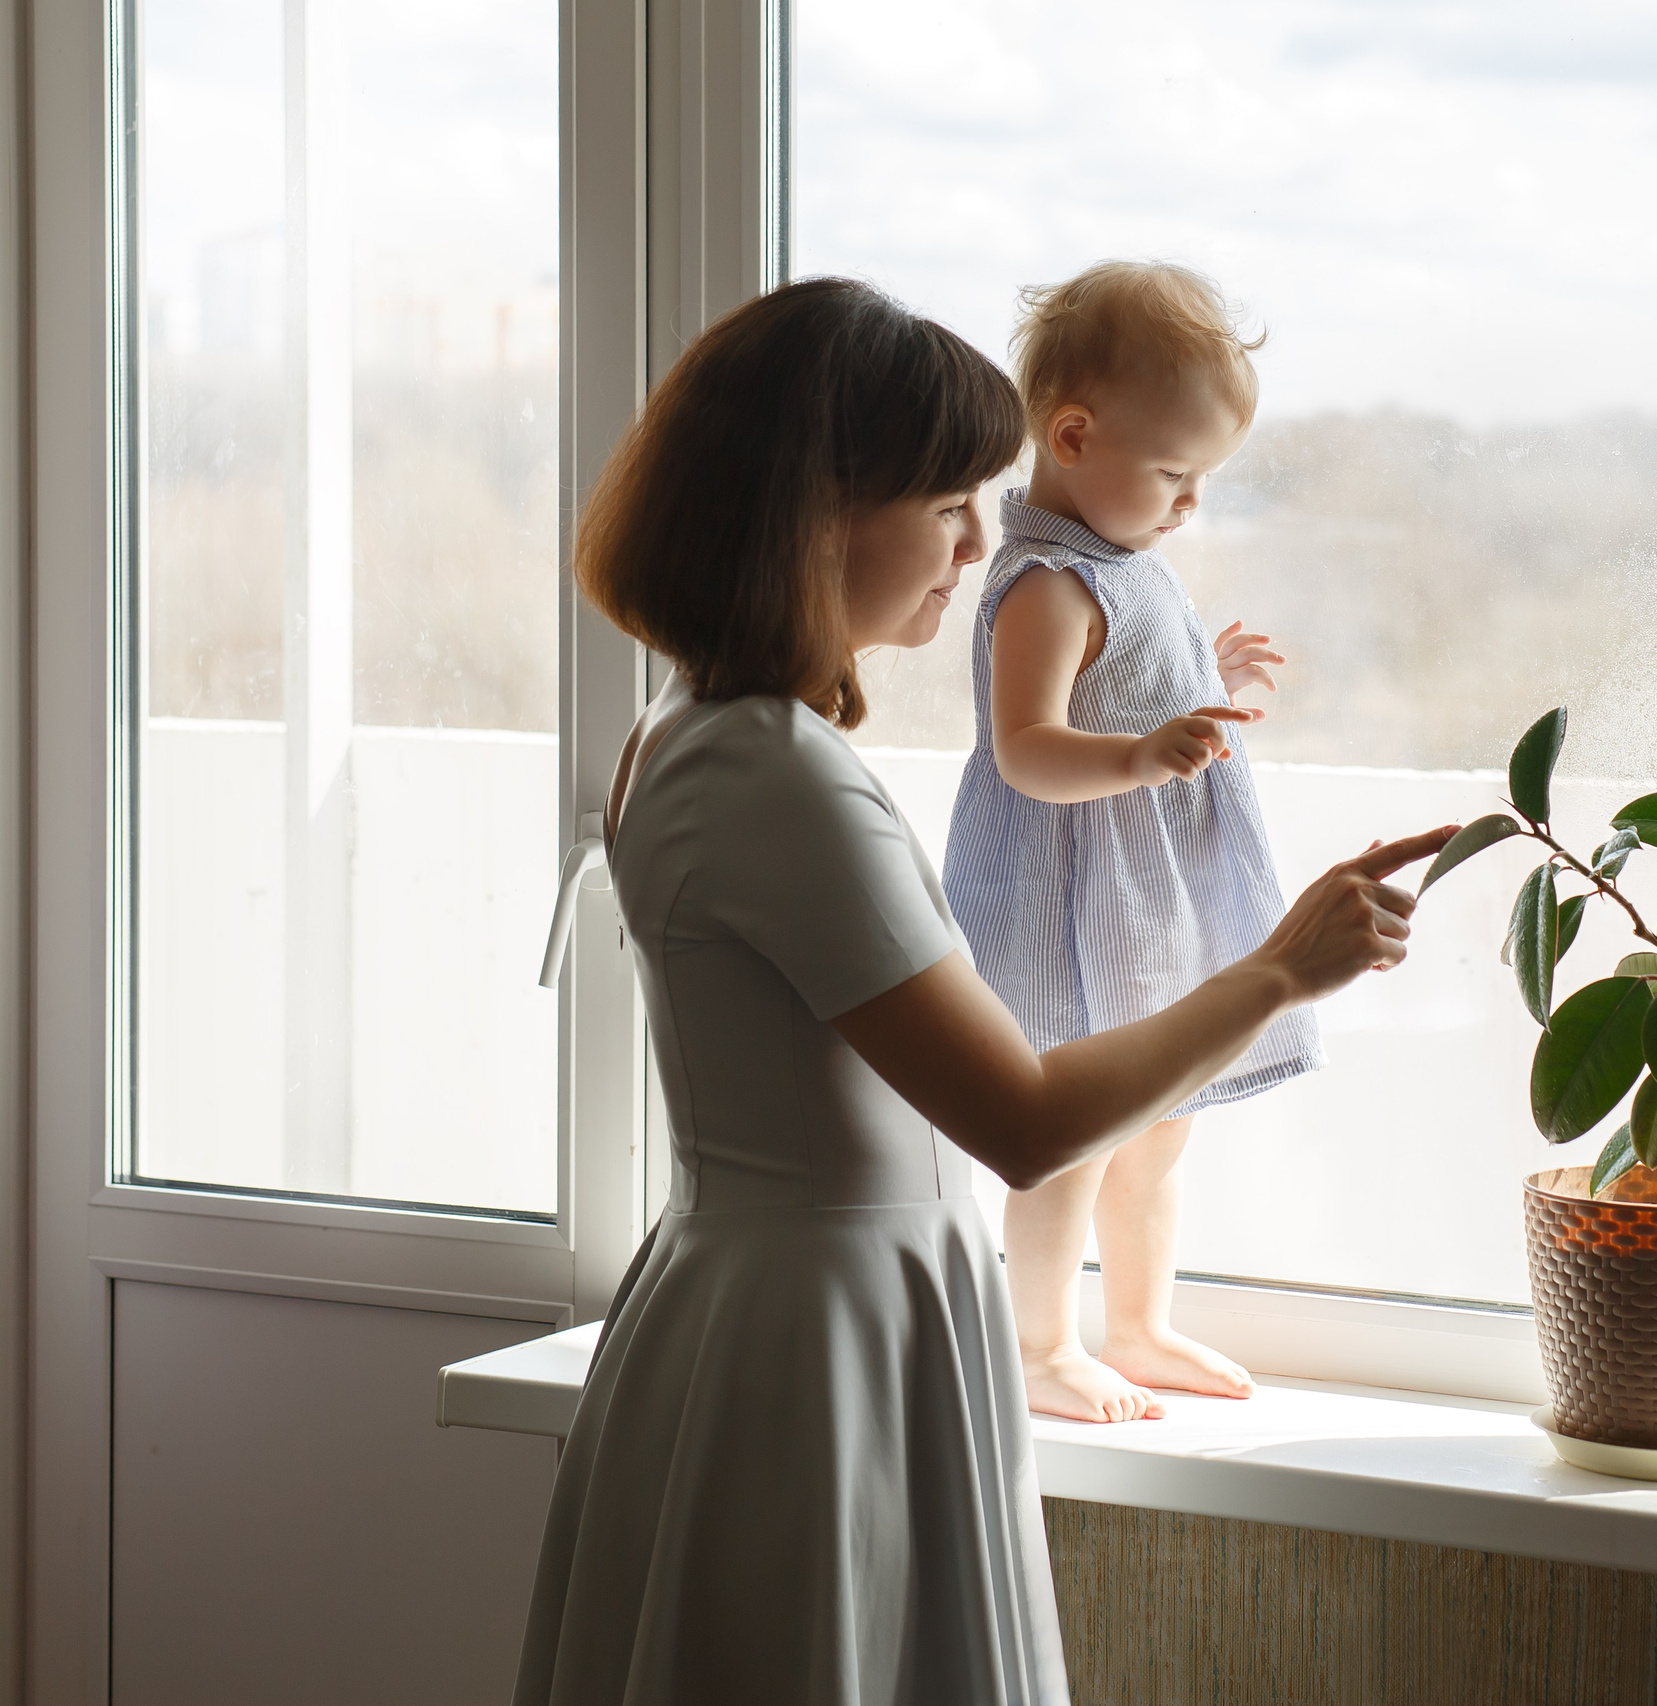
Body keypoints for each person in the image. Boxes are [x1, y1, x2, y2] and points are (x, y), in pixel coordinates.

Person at [509, 277, 1454, 1706]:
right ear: (815, 506)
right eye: (947, 500)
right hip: (816, 1334)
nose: (975, 543)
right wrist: (1276, 967)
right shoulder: (774, 774)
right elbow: (1023, 1116)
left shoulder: (686, 725)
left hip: (783, 1303)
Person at [943, 261, 1307, 1423]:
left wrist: (1213, 678)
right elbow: (1025, 747)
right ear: (1073, 434)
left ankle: (1138, 1320)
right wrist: (1147, 754)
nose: (1190, 502)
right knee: (1071, 1134)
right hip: (1069, 897)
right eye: (1172, 472)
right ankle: (1041, 1340)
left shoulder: (1128, 560)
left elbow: (1139, 683)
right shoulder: (1048, 581)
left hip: (1154, 901)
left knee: (1159, 1126)